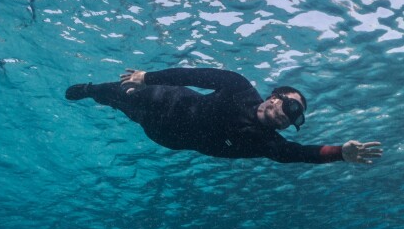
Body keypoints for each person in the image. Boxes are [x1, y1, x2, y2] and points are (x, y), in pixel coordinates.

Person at [65, 67, 383, 165]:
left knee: (126, 111)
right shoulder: (239, 87)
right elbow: (195, 76)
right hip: (166, 100)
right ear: (276, 97)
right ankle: (91, 89)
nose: (289, 119)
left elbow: (301, 153)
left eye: (296, 119)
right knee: (122, 95)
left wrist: (340, 152)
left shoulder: (267, 143)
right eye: (292, 107)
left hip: (163, 135)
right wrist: (148, 77)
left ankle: (106, 99)